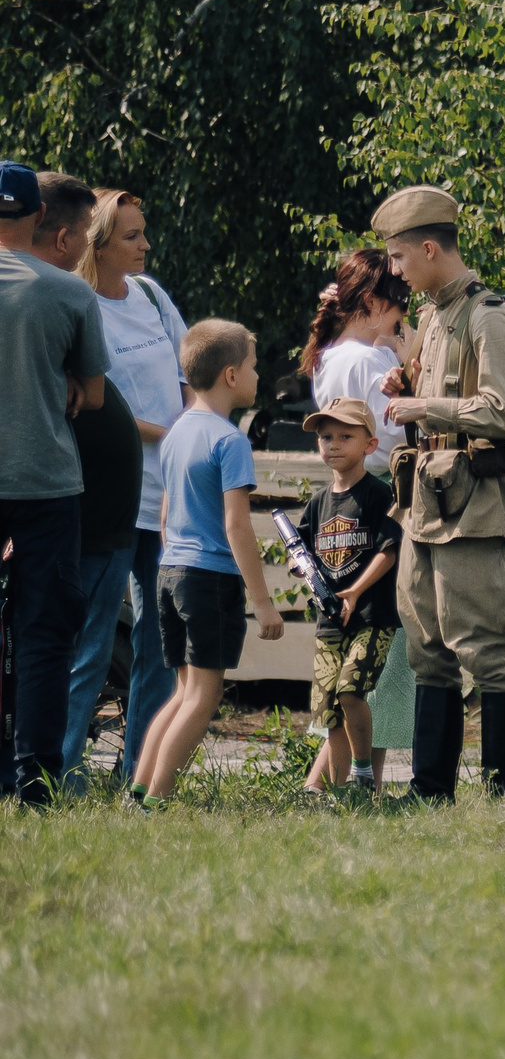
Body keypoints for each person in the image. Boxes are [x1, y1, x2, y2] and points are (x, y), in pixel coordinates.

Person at [376, 184, 505, 801]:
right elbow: (433, 387)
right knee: (427, 651)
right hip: (425, 505)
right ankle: (430, 789)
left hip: (477, 507)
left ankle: (499, 798)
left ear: (432, 249)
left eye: (398, 257)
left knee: (487, 654)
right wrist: (404, 378)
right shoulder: (432, 316)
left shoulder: (487, 316)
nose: (393, 269)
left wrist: (424, 403)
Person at [129, 320, 285, 804]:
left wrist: (171, 560)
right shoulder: (230, 440)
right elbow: (237, 526)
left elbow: (165, 512)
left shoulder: (176, 433)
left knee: (180, 693)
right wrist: (263, 603)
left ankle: (137, 791)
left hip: (170, 571)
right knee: (203, 697)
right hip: (209, 578)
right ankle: (157, 800)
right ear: (232, 375)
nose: (260, 377)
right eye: (255, 368)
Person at [0, 163, 110, 805]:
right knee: (43, 633)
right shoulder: (69, 294)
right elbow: (92, 394)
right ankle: (34, 779)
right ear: (39, 216)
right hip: (43, 481)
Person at [72, 186, 185, 783]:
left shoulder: (149, 295)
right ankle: (58, 771)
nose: (145, 245)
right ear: (98, 242)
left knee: (160, 641)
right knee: (93, 642)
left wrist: (191, 429)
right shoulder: (80, 304)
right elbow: (96, 404)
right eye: (131, 236)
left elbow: (187, 370)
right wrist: (172, 433)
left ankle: (139, 772)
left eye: (143, 232)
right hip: (117, 497)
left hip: (169, 501)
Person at [293, 399, 403, 797]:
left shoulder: (378, 494)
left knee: (350, 690)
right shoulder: (318, 502)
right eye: (325, 437)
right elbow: (303, 553)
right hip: (330, 622)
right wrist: (302, 569)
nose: (333, 444)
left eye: (345, 436)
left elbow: (389, 550)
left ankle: (363, 776)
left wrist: (355, 591)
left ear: (370, 444)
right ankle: (336, 790)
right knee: (328, 711)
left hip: (372, 616)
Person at [302, 248, 412, 471]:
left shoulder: (324, 357)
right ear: (371, 302)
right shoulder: (367, 360)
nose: (405, 313)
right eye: (402, 301)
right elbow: (399, 435)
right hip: (386, 486)